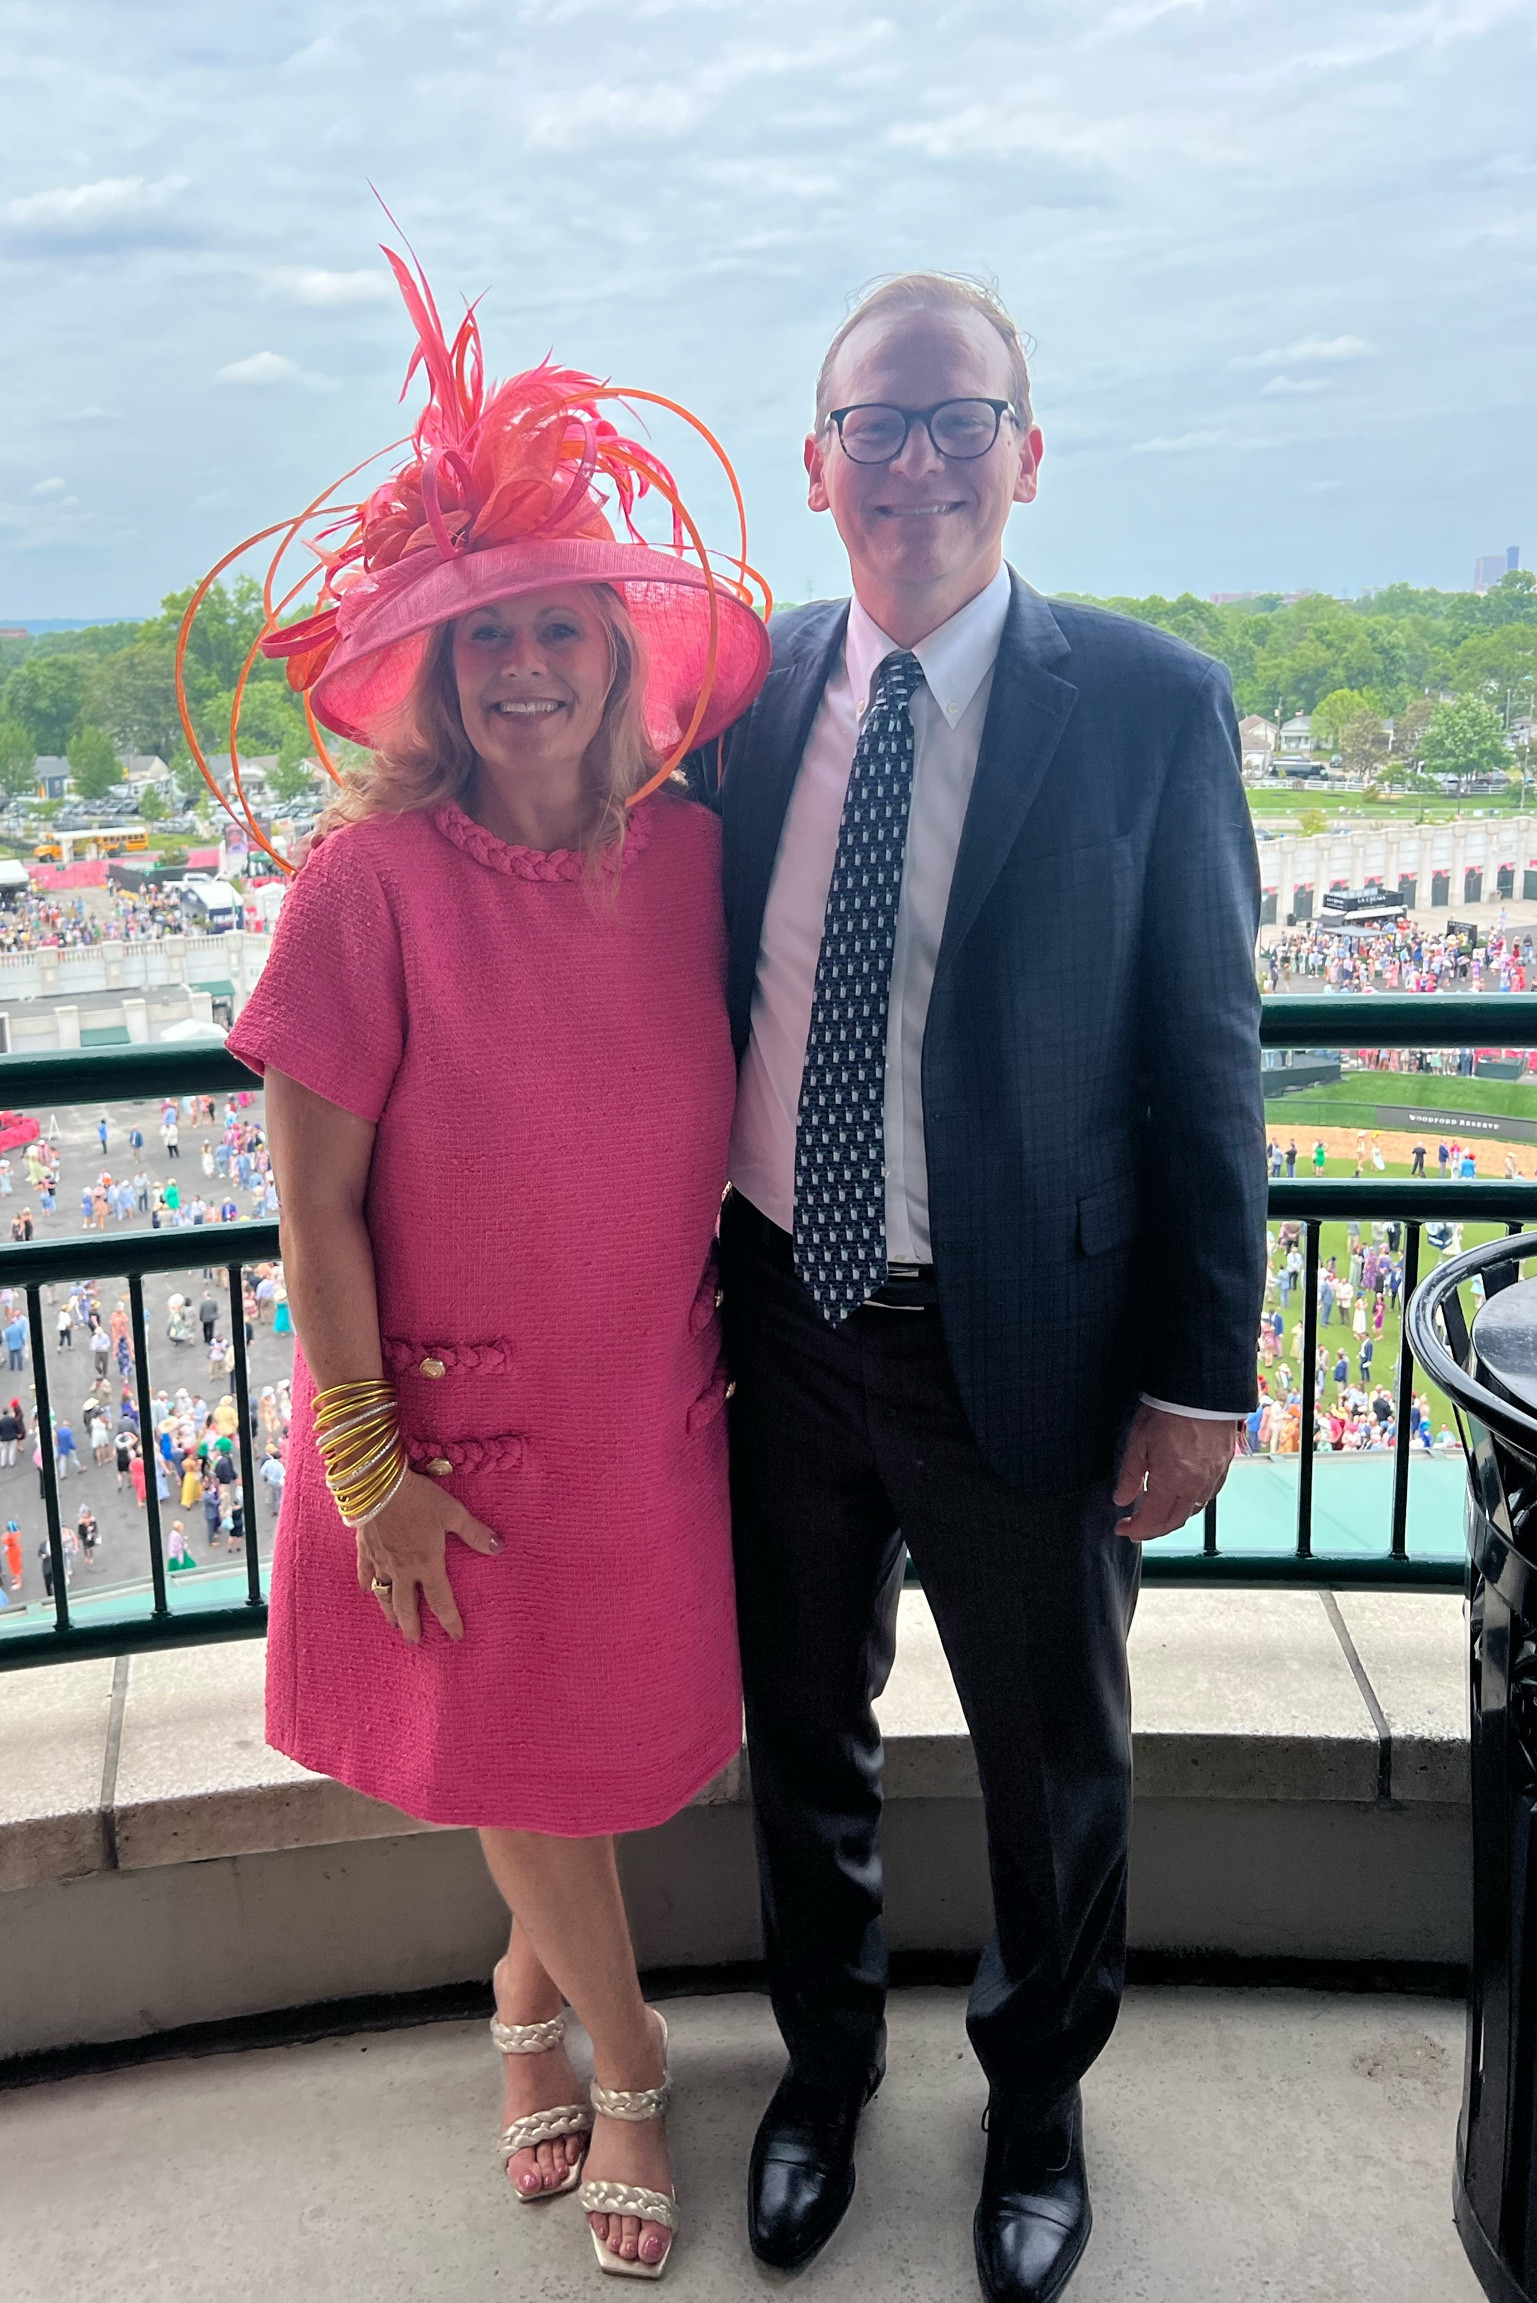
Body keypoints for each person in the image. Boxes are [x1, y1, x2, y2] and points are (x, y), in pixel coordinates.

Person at [698, 273, 1265, 2300]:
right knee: (802, 1735)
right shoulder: (741, 695)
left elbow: (1206, 1058)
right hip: (777, 1317)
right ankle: (823, 2071)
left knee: (1049, 1770)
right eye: (878, 426)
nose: (916, 466)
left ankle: (1037, 2107)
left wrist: (1205, 1374)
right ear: (815, 463)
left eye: (960, 425)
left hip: (1023, 1344)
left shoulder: (1149, 707)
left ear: (1026, 453)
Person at [217, 243, 771, 2280]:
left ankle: (517, 2008)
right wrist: (364, 1466)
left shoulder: (696, 860)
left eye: (558, 629)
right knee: (520, 1751)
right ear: (432, 679)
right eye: (485, 643)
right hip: (437, 1423)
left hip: (647, 1415)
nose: (525, 669)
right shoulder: (365, 884)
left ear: (621, 656)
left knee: (577, 1749)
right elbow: (316, 1203)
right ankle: (626, 2056)